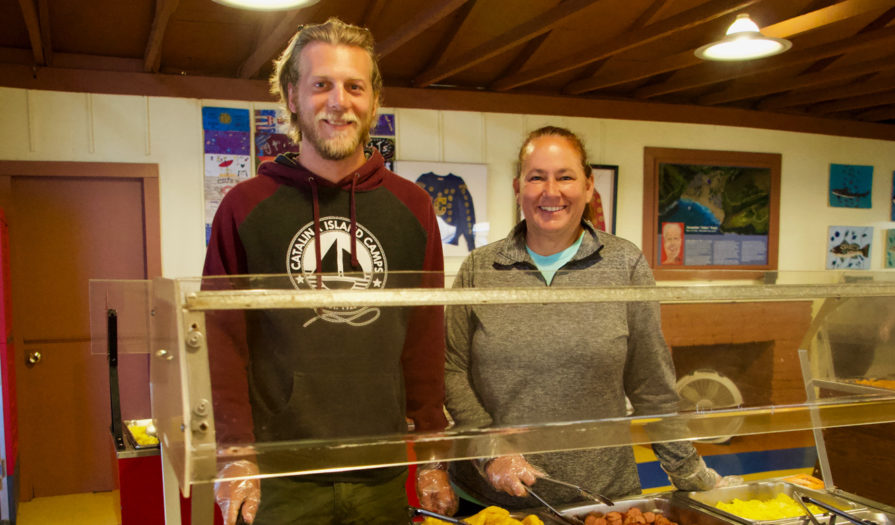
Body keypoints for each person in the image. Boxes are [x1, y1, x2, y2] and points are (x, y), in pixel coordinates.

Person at [203, 18, 456, 524]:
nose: (339, 102)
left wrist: (432, 454)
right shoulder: (244, 206)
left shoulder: (413, 207)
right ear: (292, 97)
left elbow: (425, 335)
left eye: (354, 87)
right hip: (281, 476)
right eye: (321, 84)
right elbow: (222, 339)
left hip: (381, 470)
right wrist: (235, 454)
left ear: (373, 101)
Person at [445, 126, 735, 509]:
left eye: (565, 177)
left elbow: (651, 384)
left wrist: (690, 474)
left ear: (588, 186)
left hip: (601, 500)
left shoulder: (624, 264)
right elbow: (450, 367)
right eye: (537, 177)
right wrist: (490, 448)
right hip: (492, 501)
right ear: (518, 188)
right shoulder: (480, 267)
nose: (551, 191)